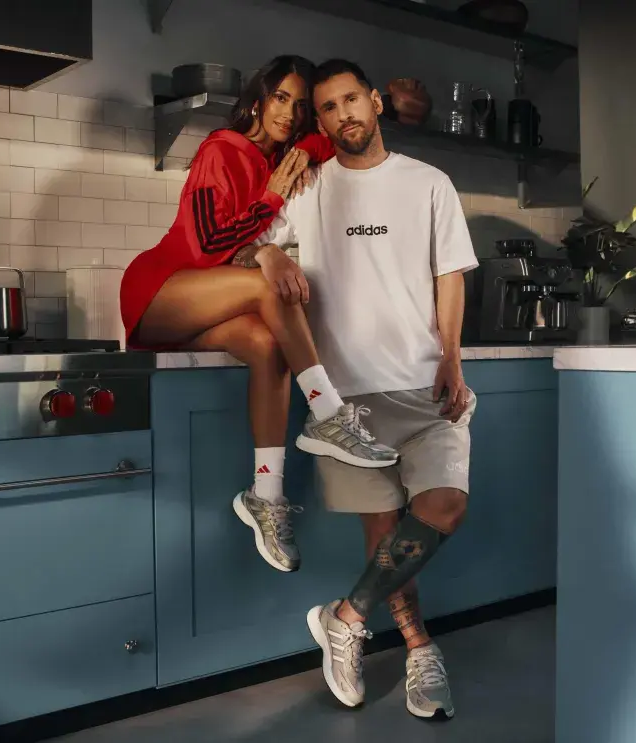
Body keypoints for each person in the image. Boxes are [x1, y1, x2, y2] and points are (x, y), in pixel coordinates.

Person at [249, 59, 479, 719]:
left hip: (427, 382)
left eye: (351, 99)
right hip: (348, 406)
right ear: (320, 121)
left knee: (444, 506)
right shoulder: (308, 186)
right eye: (327, 108)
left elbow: (451, 276)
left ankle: (345, 616)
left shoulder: (428, 182)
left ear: (377, 102)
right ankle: (419, 650)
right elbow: (245, 246)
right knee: (388, 543)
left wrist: (454, 360)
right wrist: (268, 253)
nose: (342, 114)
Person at [119, 56, 398, 575]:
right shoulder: (221, 150)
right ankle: (329, 413)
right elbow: (207, 245)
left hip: (210, 303)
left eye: (300, 105)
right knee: (267, 284)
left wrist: (318, 140)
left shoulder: (287, 159)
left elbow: (321, 142)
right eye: (280, 98)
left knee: (268, 346)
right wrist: (267, 233)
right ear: (258, 97)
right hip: (161, 289)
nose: (290, 114)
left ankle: (265, 495)